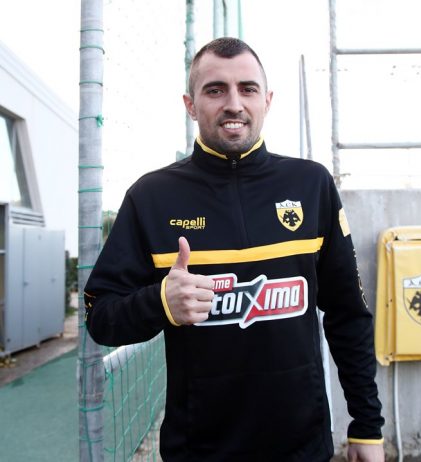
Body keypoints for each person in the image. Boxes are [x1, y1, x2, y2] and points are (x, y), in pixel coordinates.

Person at [84, 37, 385, 462]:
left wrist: (367, 427)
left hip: (302, 447)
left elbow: (348, 315)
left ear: (267, 100)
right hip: (198, 451)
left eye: (247, 89)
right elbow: (100, 316)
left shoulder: (311, 185)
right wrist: (161, 302)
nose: (234, 104)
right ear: (191, 105)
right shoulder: (151, 197)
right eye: (215, 90)